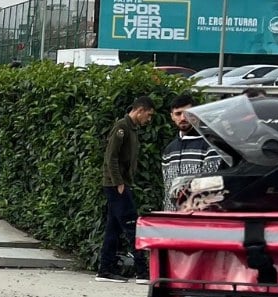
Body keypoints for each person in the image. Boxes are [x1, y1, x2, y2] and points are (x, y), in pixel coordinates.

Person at [95, 96, 154, 283]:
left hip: (120, 183)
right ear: (140, 110)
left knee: (113, 228)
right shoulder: (122, 127)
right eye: (148, 115)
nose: (149, 119)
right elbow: (110, 157)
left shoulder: (131, 128)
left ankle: (105, 269)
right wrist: (119, 182)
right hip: (116, 185)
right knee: (131, 226)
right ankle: (142, 272)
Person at [161, 93, 222, 211]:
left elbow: (211, 186)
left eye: (187, 113)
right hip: (172, 217)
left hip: (198, 217)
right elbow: (167, 186)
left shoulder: (210, 146)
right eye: (178, 114)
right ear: (172, 116)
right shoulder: (169, 150)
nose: (183, 118)